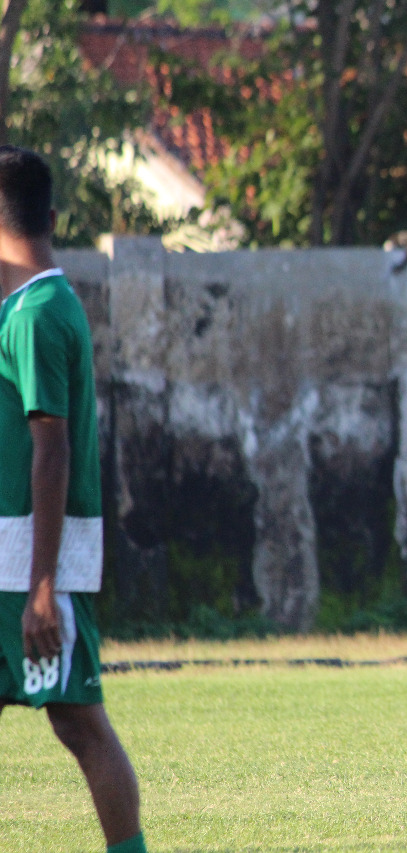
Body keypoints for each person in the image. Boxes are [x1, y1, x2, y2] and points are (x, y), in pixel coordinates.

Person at [0, 146, 148, 853]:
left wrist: (42, 588)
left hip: (28, 567)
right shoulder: (29, 305)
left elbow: (51, 448)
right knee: (74, 722)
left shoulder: (36, 314)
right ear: (52, 217)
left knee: (80, 721)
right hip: (16, 562)